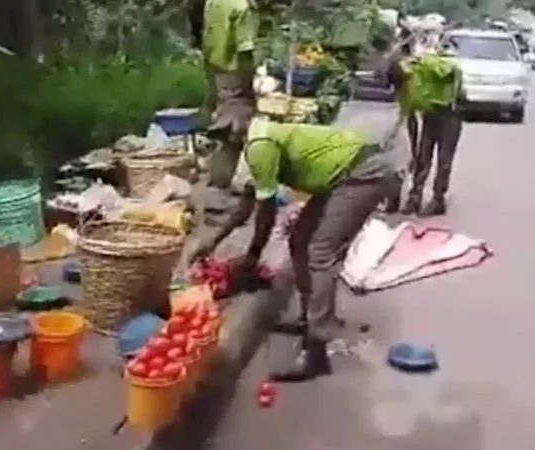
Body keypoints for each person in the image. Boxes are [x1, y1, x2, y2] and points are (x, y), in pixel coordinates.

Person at [192, 116, 403, 382]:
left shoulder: (260, 145)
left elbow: (265, 212)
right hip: (342, 175)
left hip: (362, 174)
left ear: (235, 131)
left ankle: (316, 350)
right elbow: (246, 205)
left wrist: (254, 255)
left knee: (320, 253)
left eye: (222, 140)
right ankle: (309, 319)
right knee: (300, 240)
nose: (221, 147)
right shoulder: (255, 147)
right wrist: (213, 240)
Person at [200, 0, 259, 188]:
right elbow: (245, 49)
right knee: (233, 130)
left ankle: (217, 178)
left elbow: (206, 35)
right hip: (235, 73)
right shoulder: (243, 2)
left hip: (214, 69)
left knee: (219, 123)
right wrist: (250, 85)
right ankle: (224, 184)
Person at [401, 37, 464, 216]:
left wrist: (422, 58)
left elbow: (445, 72)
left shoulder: (451, 66)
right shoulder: (431, 63)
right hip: (433, 114)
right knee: (424, 158)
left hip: (450, 116)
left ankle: (437, 199)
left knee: (442, 161)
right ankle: (416, 196)